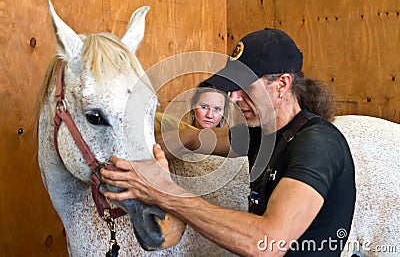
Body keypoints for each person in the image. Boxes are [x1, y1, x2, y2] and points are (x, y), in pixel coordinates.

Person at [101, 28, 356, 256]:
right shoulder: (262, 134)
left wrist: (163, 192)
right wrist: (145, 150)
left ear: (282, 84)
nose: (232, 98)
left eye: (244, 87)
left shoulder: (317, 145)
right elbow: (193, 138)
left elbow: (266, 243)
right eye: (230, 88)